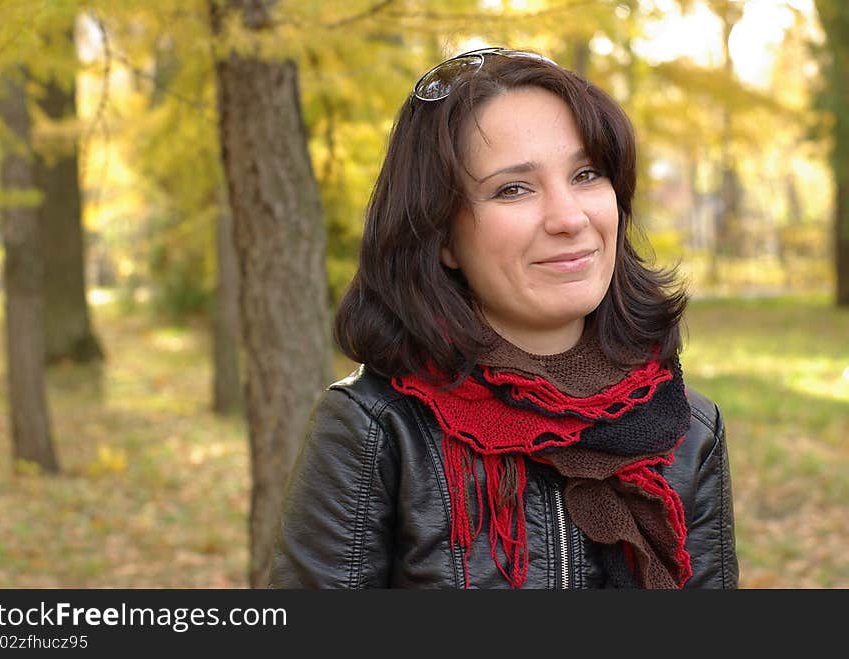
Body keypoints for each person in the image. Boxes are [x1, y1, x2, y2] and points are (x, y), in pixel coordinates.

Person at [269, 47, 739, 589]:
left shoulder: (687, 428)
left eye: (587, 174)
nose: (569, 217)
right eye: (513, 188)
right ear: (441, 236)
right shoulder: (377, 428)